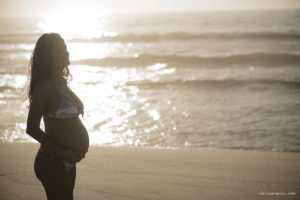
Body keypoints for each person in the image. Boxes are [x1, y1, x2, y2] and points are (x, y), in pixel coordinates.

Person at [26, 33, 89, 200]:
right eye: (60, 51)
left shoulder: (62, 83)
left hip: (66, 159)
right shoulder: (45, 87)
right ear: (49, 58)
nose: (66, 53)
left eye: (65, 49)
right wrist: (63, 152)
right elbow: (31, 128)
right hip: (52, 159)